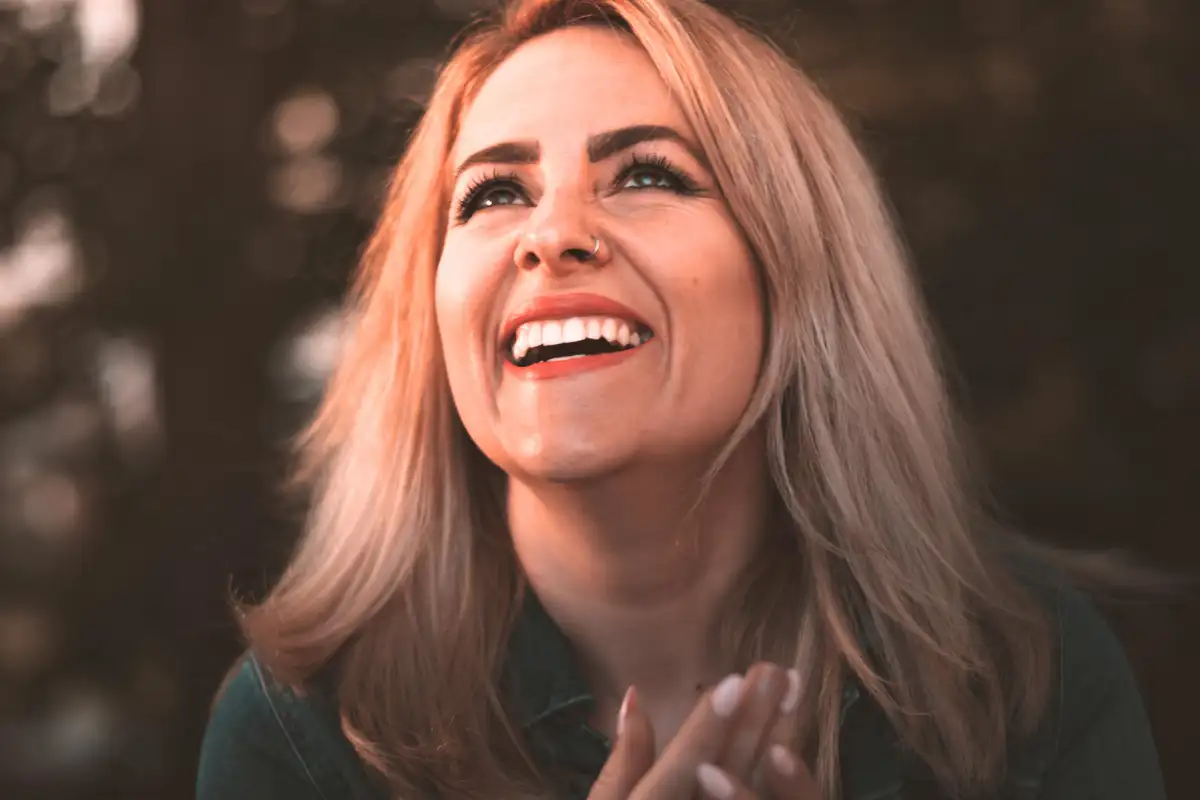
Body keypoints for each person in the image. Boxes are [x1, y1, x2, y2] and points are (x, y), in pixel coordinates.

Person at [196, 0, 1166, 797]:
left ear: (792, 275)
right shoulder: (304, 735)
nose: (552, 234)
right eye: (494, 193)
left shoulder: (1026, 679)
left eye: (648, 174)